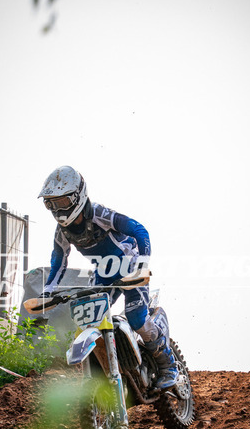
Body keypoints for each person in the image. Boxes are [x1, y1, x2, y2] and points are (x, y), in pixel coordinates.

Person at [38, 165, 178, 390]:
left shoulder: (99, 214)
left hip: (129, 266)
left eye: (62, 202)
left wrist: (141, 266)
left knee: (136, 319)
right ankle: (114, 369)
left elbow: (140, 231)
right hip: (103, 274)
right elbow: (59, 259)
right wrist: (48, 290)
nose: (57, 209)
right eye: (51, 204)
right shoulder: (61, 231)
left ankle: (168, 365)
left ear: (78, 197)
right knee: (89, 322)